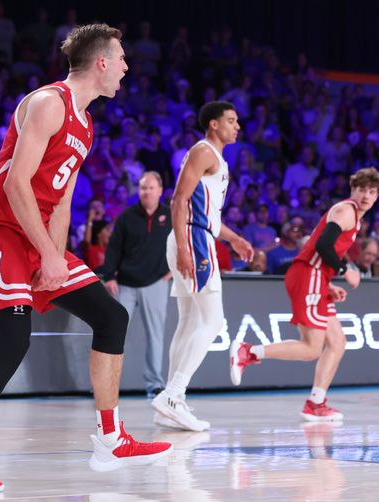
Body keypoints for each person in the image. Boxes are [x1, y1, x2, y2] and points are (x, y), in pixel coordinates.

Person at [0, 24, 171, 494]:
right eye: (121, 59)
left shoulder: (86, 123)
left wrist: (52, 260)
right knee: (14, 338)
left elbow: (61, 201)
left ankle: (111, 436)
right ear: (101, 62)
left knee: (111, 317)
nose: (125, 68)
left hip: (35, 232)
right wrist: (44, 253)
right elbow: (17, 185)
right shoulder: (47, 103)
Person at [230, 167, 379, 422]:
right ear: (352, 189)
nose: (366, 195)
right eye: (361, 189)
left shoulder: (354, 216)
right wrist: (346, 271)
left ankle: (316, 402)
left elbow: (319, 247)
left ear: (377, 195)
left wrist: (327, 283)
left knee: (337, 342)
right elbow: (323, 245)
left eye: (371, 191)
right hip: (308, 275)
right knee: (312, 348)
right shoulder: (346, 210)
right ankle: (249, 352)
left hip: (316, 277)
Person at [150, 101, 253, 432]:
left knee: (188, 322)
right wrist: (183, 246)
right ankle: (173, 395)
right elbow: (178, 200)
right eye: (231, 121)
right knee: (213, 321)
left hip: (196, 236)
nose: (237, 126)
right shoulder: (204, 151)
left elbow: (209, 216)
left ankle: (168, 402)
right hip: (192, 240)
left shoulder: (215, 158)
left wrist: (234, 239)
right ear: (213, 124)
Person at [98, 171, 171, 396]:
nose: (146, 192)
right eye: (142, 188)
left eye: (150, 188)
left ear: (160, 190)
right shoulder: (126, 217)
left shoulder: (170, 216)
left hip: (156, 282)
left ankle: (155, 384)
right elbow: (113, 249)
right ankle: (104, 385)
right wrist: (109, 276)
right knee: (113, 333)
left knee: (156, 336)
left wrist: (174, 270)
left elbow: (183, 242)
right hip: (125, 284)